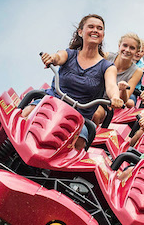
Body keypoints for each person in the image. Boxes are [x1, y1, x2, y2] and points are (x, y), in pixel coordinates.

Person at [34, 14, 124, 149]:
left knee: (80, 141)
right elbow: (58, 57)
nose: (95, 30)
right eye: (91, 27)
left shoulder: (107, 67)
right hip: (52, 103)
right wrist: (51, 58)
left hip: (77, 117)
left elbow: (111, 85)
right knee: (27, 113)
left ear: (102, 35)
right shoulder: (69, 54)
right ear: (80, 32)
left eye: (99, 28)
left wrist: (115, 97)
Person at [111, 32, 144, 106]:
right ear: (119, 46)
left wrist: (123, 90)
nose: (127, 50)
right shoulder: (107, 57)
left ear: (136, 51)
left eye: (132, 48)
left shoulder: (137, 71)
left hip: (112, 102)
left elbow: (125, 99)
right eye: (125, 46)